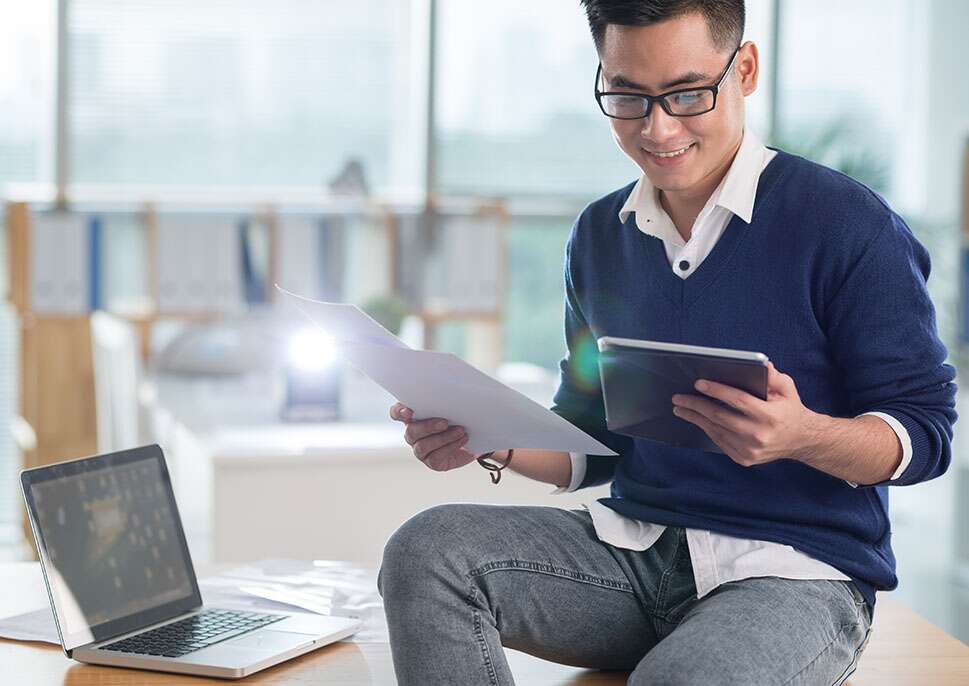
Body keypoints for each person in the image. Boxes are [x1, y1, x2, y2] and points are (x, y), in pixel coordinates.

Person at [378, 1, 958, 684]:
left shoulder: (846, 225)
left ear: (743, 69)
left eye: (686, 94)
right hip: (633, 554)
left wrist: (801, 435)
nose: (657, 128)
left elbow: (925, 436)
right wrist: (493, 436)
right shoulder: (599, 236)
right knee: (427, 550)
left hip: (793, 574)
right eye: (627, 96)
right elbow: (597, 440)